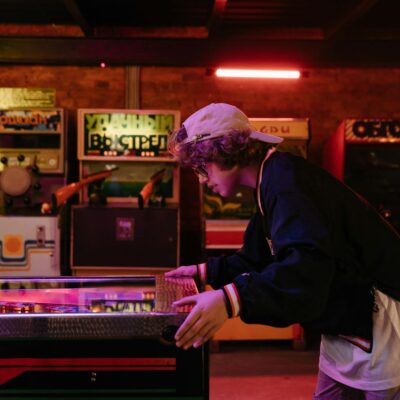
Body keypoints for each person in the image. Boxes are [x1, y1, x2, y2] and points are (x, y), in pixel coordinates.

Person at [165, 103, 400, 399]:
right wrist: (206, 272)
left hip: (377, 316)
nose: (201, 178)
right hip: (346, 315)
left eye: (202, 166)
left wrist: (228, 301)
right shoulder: (271, 180)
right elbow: (257, 256)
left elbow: (303, 270)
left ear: (225, 152)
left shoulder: (286, 183)